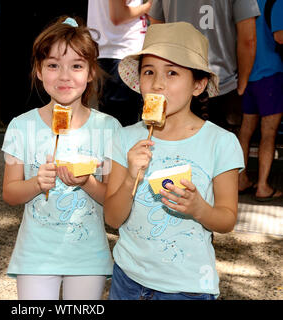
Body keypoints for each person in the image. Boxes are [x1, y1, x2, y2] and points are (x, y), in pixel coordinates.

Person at [104, 22, 244, 300]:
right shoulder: (124, 138)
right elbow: (112, 218)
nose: (157, 83)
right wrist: (131, 176)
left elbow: (227, 219)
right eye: (149, 72)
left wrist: (199, 208)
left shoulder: (221, 143)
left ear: (198, 84)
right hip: (127, 278)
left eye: (172, 72)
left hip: (187, 287)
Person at [1, 16, 121, 300]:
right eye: (53, 65)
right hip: (35, 253)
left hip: (87, 254)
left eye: (76, 66)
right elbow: (10, 193)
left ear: (91, 72)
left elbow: (113, 201)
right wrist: (36, 183)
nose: (64, 76)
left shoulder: (109, 128)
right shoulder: (21, 126)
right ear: (39, 71)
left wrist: (87, 182)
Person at [148, 0, 260, 133]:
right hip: (222, 84)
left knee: (175, 147)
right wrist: (241, 84)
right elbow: (248, 40)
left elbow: (156, 30)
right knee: (223, 149)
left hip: (175, 83)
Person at [237, 0, 283, 201]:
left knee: (245, 130)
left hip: (248, 73)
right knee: (269, 133)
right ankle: (263, 186)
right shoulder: (277, 1)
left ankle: (240, 179)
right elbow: (280, 37)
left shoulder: (244, 3)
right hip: (270, 74)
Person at [87, 0, 151, 126]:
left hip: (115, 53)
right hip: (121, 54)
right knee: (122, 128)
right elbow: (118, 15)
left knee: (117, 126)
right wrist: (148, 7)